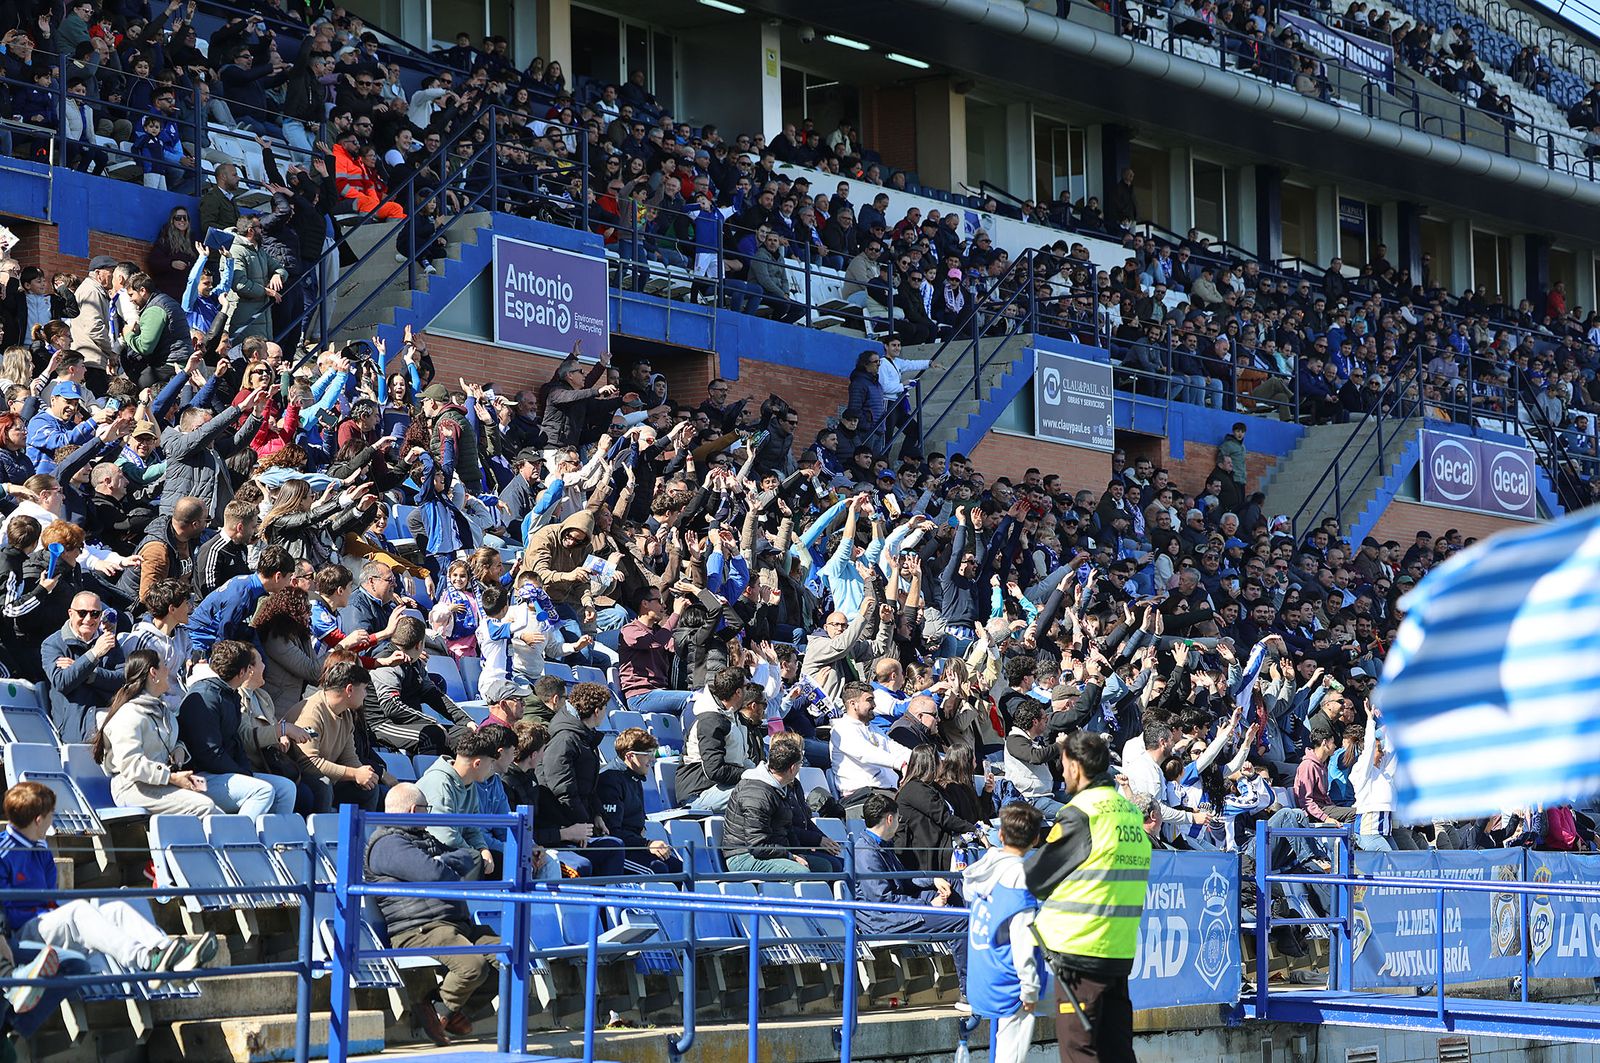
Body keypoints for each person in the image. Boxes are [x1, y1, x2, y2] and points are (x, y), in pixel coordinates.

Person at [0, 781, 219, 976]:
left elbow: (49, 896)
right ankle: (146, 960)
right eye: (51, 815)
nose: (53, 820)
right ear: (38, 820)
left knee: (119, 908)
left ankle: (168, 952)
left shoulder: (41, 848)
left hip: (46, 920)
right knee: (78, 911)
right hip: (21, 932)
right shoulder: (4, 851)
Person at [1026, 732, 1151, 1063]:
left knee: (1079, 1051)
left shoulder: (1081, 813)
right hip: (1117, 950)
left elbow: (1036, 877)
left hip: (1078, 952)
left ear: (1078, 767)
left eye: (1065, 766)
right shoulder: (1128, 813)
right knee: (1117, 1052)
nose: (1062, 773)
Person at [363, 783, 502, 1046]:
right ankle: (436, 1011)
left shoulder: (422, 838)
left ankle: (450, 1011)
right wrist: (443, 865)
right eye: (427, 809)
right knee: (473, 966)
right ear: (415, 810)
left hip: (455, 926)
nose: (430, 815)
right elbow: (434, 874)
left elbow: (469, 858)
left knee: (512, 958)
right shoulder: (386, 844)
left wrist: (442, 863)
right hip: (419, 930)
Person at [854, 793, 971, 1008]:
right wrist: (929, 905)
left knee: (955, 887)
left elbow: (904, 879)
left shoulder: (880, 845)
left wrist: (934, 879)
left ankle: (980, 969)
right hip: (883, 919)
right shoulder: (866, 852)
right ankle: (968, 992)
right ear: (889, 819)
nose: (899, 824)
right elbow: (882, 901)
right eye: (898, 819)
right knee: (961, 921)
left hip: (899, 909)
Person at [964, 802, 1049, 1063]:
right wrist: (1030, 988)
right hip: (1010, 980)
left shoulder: (984, 867)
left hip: (981, 974)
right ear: (1036, 840)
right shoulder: (1020, 878)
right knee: (1010, 1055)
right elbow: (1023, 938)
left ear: (1000, 835)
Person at [94, 649, 218, 815]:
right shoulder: (128, 715)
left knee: (218, 812)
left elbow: (167, 740)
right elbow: (130, 765)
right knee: (204, 806)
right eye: (164, 666)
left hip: (160, 783)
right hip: (132, 787)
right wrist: (171, 777)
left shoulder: (163, 710)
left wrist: (178, 749)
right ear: (154, 672)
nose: (168, 670)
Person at [294, 656, 384, 811]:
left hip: (328, 777)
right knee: (323, 785)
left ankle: (361, 834)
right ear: (349, 689)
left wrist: (363, 773)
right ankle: (323, 834)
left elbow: (349, 757)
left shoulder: (346, 714)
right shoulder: (312, 712)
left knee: (369, 788)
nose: (366, 695)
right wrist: (355, 773)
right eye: (364, 689)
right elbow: (309, 763)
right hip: (299, 777)